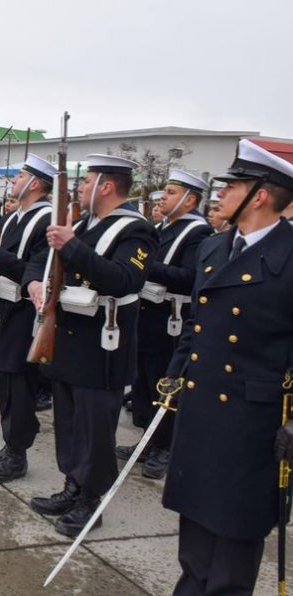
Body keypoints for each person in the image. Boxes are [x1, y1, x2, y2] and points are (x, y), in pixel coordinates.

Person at [162, 139, 293, 595]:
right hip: (202, 409)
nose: (220, 194)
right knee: (195, 535)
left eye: (231, 186)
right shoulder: (214, 248)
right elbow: (197, 324)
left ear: (260, 194)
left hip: (254, 423)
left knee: (234, 545)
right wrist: (174, 377)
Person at [23, 154, 158, 537]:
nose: (81, 188)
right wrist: (35, 282)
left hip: (103, 345)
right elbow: (42, 262)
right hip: (67, 336)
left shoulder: (136, 230)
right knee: (67, 421)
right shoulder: (84, 224)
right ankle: (72, 485)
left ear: (106, 186)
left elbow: (124, 280)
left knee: (95, 428)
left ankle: (91, 500)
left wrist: (74, 248)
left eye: (87, 182)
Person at [117, 170, 211, 480]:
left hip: (169, 320)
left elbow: (191, 279)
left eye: (170, 192)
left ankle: (165, 446)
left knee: (164, 385)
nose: (163, 197)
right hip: (146, 316)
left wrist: (148, 269)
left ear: (190, 199)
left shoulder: (197, 233)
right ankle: (147, 439)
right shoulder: (160, 227)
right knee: (142, 383)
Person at [0, 154, 55, 483]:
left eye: (19, 176)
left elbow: (38, 272)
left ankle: (18, 453)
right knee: (4, 383)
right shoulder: (15, 217)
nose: (14, 181)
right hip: (2, 309)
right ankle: (9, 445)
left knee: (19, 387)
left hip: (23, 314)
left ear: (34, 183)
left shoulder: (46, 219)